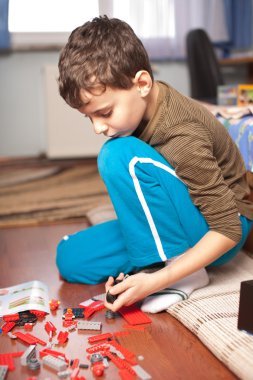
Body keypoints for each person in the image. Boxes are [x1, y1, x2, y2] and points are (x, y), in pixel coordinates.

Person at [56, 16, 253, 313]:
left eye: (105, 112)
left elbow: (227, 228)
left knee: (117, 154)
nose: (98, 128)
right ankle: (156, 259)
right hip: (180, 218)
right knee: (71, 258)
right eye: (90, 117)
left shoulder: (182, 133)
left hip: (221, 226)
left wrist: (161, 278)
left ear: (142, 84)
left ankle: (182, 270)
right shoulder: (139, 104)